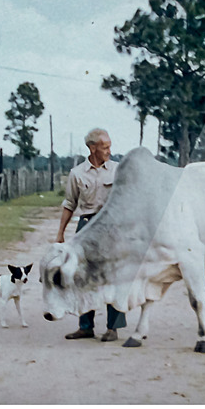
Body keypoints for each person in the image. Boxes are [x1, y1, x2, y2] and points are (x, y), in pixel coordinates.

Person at [56, 128, 127, 341]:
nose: (109, 151)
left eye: (110, 146)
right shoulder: (77, 174)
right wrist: (60, 233)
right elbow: (70, 204)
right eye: (105, 147)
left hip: (111, 228)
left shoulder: (118, 170)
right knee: (83, 277)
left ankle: (113, 328)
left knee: (112, 277)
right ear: (92, 147)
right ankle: (85, 326)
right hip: (86, 227)